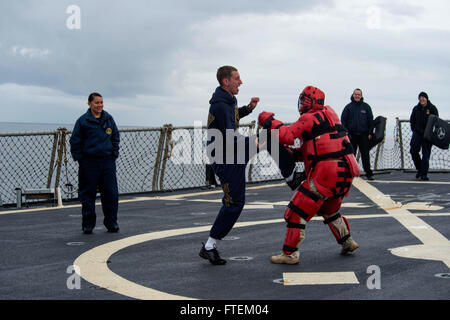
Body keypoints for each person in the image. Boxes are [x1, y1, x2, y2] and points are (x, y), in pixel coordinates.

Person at [199, 66, 300, 265]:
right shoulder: (220, 104)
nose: (241, 82)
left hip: (233, 150)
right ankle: (209, 247)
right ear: (225, 81)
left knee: (270, 137)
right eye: (237, 78)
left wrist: (248, 109)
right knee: (234, 204)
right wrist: (249, 143)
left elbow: (232, 120)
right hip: (224, 158)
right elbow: (228, 135)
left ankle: (291, 177)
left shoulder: (229, 100)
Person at [258, 85, 360, 265]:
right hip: (345, 172)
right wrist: (295, 154)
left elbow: (287, 135)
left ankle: (290, 254)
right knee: (329, 210)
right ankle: (347, 241)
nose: (302, 104)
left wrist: (269, 121)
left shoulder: (309, 117)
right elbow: (319, 148)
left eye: (305, 100)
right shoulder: (330, 114)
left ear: (311, 102)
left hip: (326, 175)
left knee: (295, 212)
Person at [70, 92, 120, 234]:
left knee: (111, 193)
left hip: (107, 162)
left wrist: (113, 154)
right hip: (89, 163)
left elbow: (115, 137)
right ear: (89, 103)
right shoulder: (83, 121)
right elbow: (75, 140)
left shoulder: (108, 119)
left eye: (101, 102)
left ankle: (112, 222)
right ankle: (88, 224)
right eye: (97, 102)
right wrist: (80, 158)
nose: (100, 105)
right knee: (87, 195)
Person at [341, 88, 375, 180]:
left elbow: (370, 121)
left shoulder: (366, 107)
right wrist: (346, 132)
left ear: (361, 96)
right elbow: (343, 120)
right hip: (352, 135)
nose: (357, 96)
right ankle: (350, 173)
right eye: (355, 94)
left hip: (364, 135)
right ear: (353, 95)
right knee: (351, 155)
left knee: (365, 154)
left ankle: (369, 173)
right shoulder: (348, 107)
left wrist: (370, 132)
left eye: (359, 94)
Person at [409, 91, 439, 181]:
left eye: (423, 97)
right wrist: (414, 129)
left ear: (427, 98)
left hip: (427, 135)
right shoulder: (416, 108)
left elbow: (436, 122)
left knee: (425, 155)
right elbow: (412, 120)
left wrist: (432, 133)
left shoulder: (432, 108)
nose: (422, 99)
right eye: (420, 97)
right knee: (413, 151)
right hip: (417, 134)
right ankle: (420, 169)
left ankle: (424, 174)